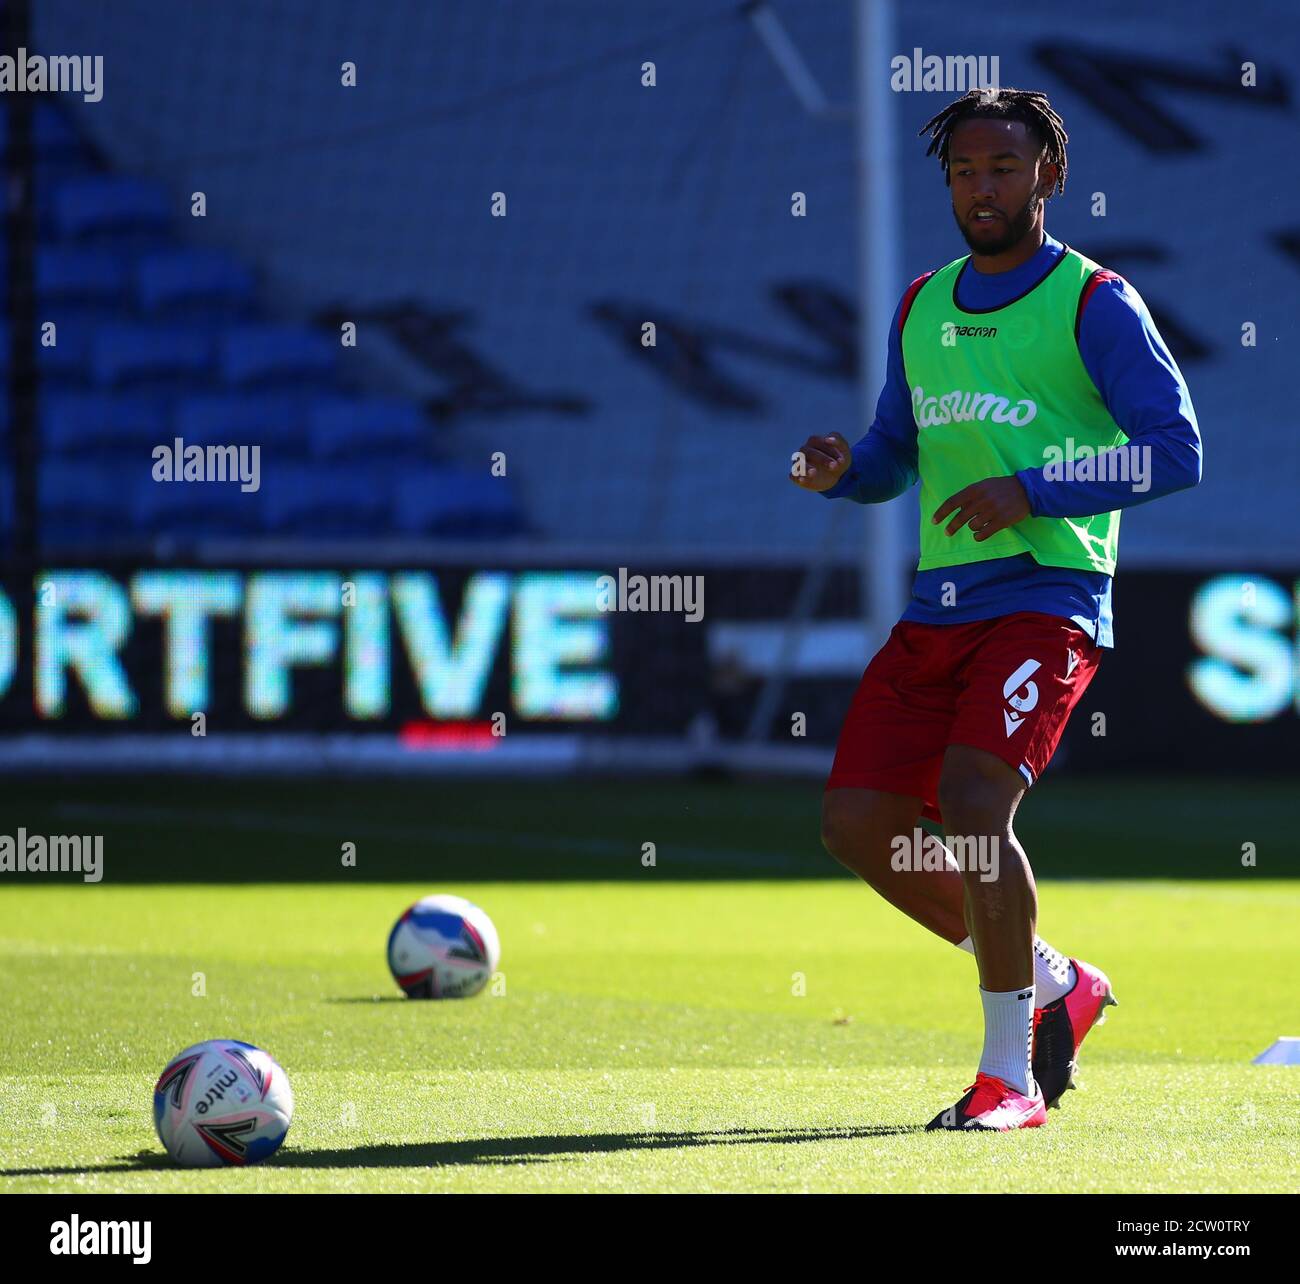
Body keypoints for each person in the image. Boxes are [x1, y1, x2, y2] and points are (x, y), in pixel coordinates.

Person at [792, 86, 1202, 1130]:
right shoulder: (922, 302)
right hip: (938, 608)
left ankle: (1006, 1080)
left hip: (1048, 596)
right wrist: (847, 472)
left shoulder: (1093, 301)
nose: (983, 188)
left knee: (975, 807)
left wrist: (1033, 491)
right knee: (858, 823)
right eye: (965, 171)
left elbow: (1172, 449)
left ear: (1049, 178)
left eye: (1004, 169)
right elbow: (896, 453)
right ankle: (1060, 983)